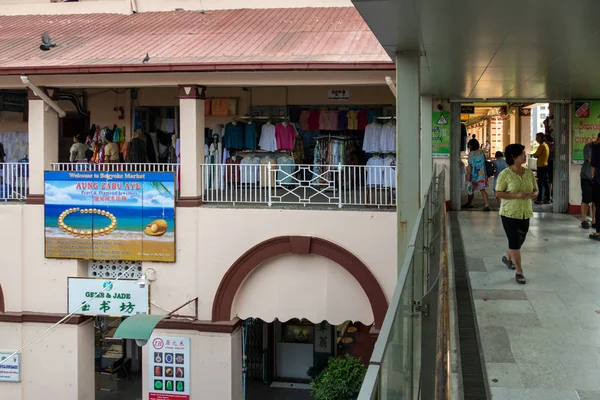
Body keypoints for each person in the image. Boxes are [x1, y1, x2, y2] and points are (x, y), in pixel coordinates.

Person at [495, 144, 538, 284]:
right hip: (509, 213)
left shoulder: (529, 173)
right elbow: (498, 193)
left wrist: (534, 194)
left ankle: (507, 257)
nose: (525, 155)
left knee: (519, 241)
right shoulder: (505, 175)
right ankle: (519, 271)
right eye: (522, 154)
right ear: (513, 157)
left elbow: (536, 189)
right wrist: (517, 195)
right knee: (514, 241)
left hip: (525, 212)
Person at [463, 139, 491, 211]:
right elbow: (484, 162)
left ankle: (469, 203)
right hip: (482, 175)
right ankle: (487, 204)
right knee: (482, 189)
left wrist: (468, 175)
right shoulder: (481, 152)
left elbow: (470, 165)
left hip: (474, 175)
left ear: (471, 145)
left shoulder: (471, 154)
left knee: (470, 189)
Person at [580, 134, 600, 229]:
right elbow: (591, 160)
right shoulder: (588, 147)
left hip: (596, 178)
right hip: (586, 177)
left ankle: (594, 220)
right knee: (586, 199)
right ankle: (583, 219)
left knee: (596, 201)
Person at [532, 132, 551, 204]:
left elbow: (536, 155)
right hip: (545, 165)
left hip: (541, 166)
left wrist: (534, 154)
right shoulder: (545, 145)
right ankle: (547, 198)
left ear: (541, 138)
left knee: (540, 183)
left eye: (537, 137)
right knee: (546, 183)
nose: (536, 139)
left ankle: (539, 199)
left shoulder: (542, 146)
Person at [590, 136, 600, 241]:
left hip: (598, 181)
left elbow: (593, 165)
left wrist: (593, 176)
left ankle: (598, 232)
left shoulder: (596, 147)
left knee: (599, 206)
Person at [545, 133, 555, 199]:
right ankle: (550, 195)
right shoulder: (551, 144)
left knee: (549, 179)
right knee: (550, 179)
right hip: (550, 162)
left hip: (549, 162)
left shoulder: (549, 145)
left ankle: (549, 195)